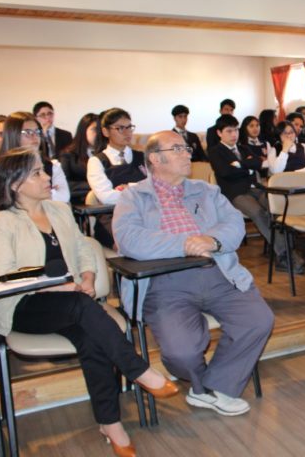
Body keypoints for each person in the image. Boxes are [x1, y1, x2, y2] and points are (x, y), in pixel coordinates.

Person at [0, 147, 178, 457]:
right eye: (37, 173)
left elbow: (84, 248)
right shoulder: (0, 222)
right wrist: (60, 287)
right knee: (83, 308)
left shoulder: (58, 210)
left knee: (91, 337)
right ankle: (139, 371)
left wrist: (86, 278)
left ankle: (110, 424)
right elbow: (4, 274)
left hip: (72, 300)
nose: (47, 177)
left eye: (44, 171)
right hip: (24, 306)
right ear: (16, 183)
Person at [113, 130, 274, 417]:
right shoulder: (133, 197)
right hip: (165, 282)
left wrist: (211, 241)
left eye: (186, 148)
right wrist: (185, 244)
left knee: (259, 320)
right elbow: (130, 240)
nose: (188, 153)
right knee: (182, 352)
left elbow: (235, 224)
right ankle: (207, 385)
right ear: (154, 159)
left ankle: (210, 389)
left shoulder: (207, 190)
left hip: (217, 272)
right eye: (177, 149)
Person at [209, 116, 303, 273]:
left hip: (256, 188)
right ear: (219, 133)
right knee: (258, 212)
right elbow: (226, 173)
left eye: (236, 130)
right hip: (235, 193)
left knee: (276, 207)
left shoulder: (244, 148)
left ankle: (287, 248)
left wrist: (240, 165)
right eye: (229, 131)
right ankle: (285, 254)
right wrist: (247, 167)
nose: (234, 134)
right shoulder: (215, 151)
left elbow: (259, 164)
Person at [0, 112, 70, 212]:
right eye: (27, 133)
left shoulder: (53, 165)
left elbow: (64, 196)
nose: (35, 137)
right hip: (13, 221)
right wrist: (50, 192)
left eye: (37, 132)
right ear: (13, 135)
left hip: (48, 216)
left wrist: (26, 195)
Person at [86, 108, 146, 248]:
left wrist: (129, 188)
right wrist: (139, 189)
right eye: (120, 128)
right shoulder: (97, 161)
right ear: (106, 131)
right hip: (112, 217)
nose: (127, 132)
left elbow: (155, 187)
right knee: (134, 246)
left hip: (144, 212)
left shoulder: (142, 157)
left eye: (129, 127)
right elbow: (106, 197)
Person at [60, 113, 99, 205]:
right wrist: (97, 185)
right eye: (94, 129)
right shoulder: (68, 155)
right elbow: (64, 183)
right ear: (83, 131)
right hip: (80, 201)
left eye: (100, 130)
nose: (98, 134)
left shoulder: (105, 153)